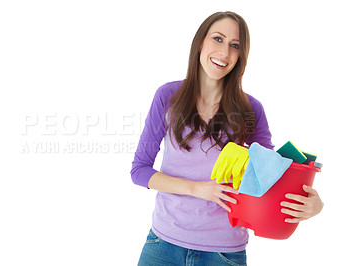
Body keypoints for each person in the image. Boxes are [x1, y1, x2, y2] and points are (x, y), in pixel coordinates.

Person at [130, 11, 324, 265]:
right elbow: (139, 171)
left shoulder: (250, 109)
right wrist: (197, 189)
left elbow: (271, 177)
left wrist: (314, 205)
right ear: (201, 42)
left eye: (235, 46)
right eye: (218, 39)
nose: (224, 52)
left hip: (223, 253)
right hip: (163, 244)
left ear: (240, 56)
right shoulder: (168, 96)